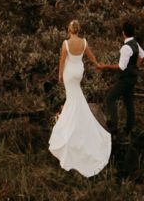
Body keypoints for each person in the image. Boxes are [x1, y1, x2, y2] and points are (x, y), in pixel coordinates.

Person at [47, 19, 111, 177]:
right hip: (78, 72)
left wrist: (60, 74)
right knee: (76, 97)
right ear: (78, 30)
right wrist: (97, 64)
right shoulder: (83, 42)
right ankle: (77, 121)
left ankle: (70, 129)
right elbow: (90, 56)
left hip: (70, 73)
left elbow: (62, 60)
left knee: (72, 98)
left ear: (69, 30)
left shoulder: (66, 43)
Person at [98, 25, 144, 136]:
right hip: (133, 78)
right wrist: (136, 66)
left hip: (126, 78)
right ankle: (129, 129)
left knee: (110, 97)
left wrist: (105, 66)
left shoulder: (125, 48)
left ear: (123, 33)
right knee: (129, 102)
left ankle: (114, 126)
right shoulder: (135, 43)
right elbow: (142, 55)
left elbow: (121, 67)